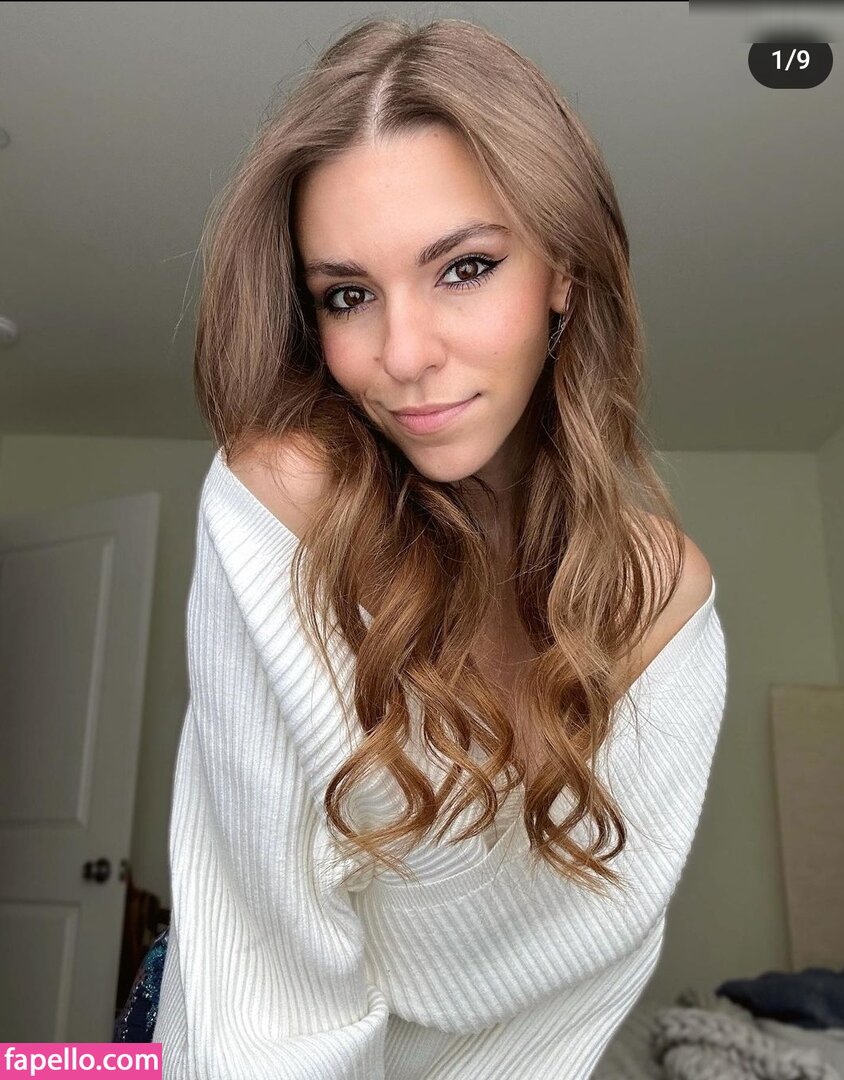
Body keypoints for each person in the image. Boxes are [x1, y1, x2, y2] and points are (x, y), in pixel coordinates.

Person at [152, 14, 727, 1079]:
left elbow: (583, 972)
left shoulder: (662, 597)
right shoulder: (285, 501)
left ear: (563, 270)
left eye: (463, 268)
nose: (404, 354)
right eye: (348, 296)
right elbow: (266, 986)